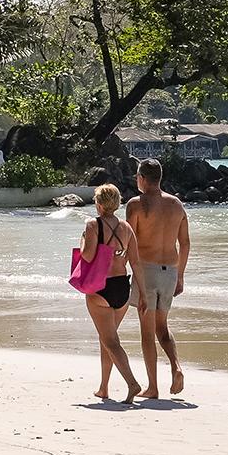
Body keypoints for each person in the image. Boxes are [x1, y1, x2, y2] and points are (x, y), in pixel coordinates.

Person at [124, 158, 191, 398]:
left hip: (147, 272)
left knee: (147, 332)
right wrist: (180, 275)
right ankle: (176, 366)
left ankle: (152, 387)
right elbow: (185, 243)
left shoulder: (135, 204)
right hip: (170, 271)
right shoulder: (176, 204)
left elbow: (129, 242)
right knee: (162, 327)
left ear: (142, 178)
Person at [78, 183, 142, 403]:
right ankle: (104, 387)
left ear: (98, 204)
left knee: (110, 341)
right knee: (108, 338)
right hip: (122, 287)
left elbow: (87, 256)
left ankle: (132, 383)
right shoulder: (126, 227)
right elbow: (135, 262)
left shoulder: (93, 225)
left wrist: (83, 238)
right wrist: (142, 292)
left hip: (100, 287)